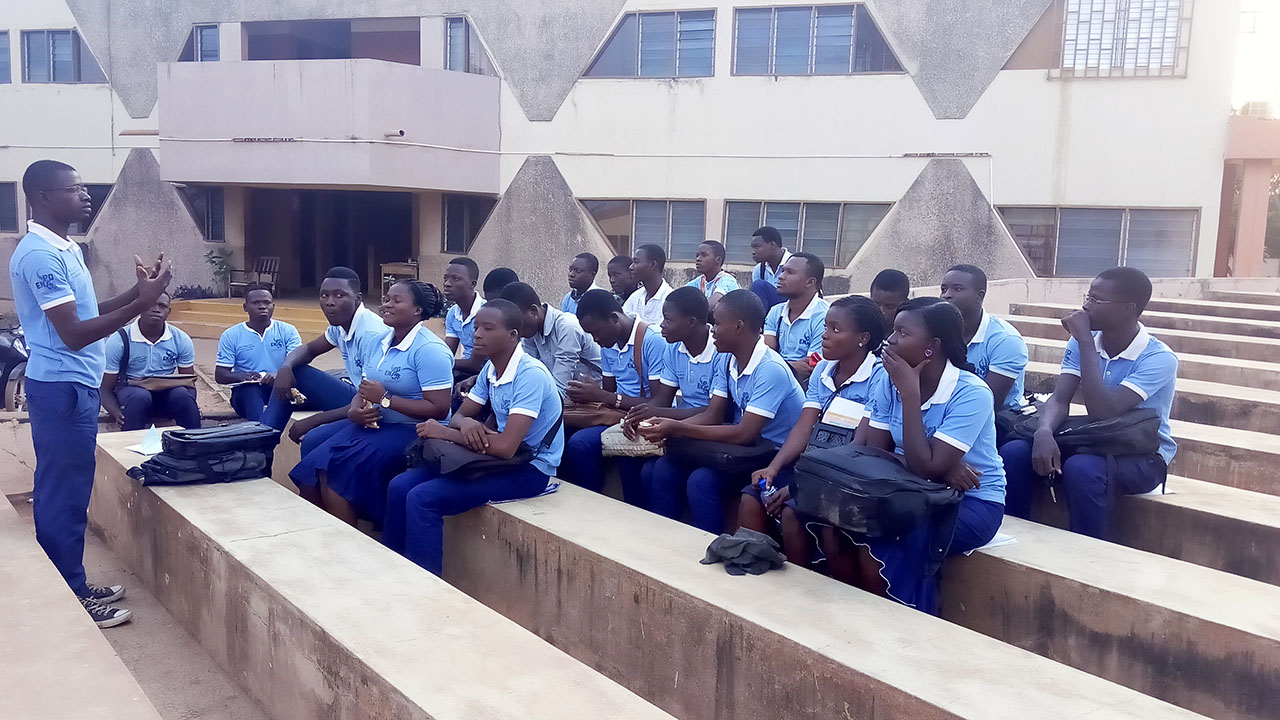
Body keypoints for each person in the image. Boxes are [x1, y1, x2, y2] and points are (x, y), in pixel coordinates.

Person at [10, 159, 171, 627]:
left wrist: (137, 293)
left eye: (83, 188)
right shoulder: (40, 256)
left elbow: (87, 311)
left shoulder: (66, 248)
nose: (85, 196)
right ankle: (71, 594)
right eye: (73, 189)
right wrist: (141, 305)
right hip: (60, 387)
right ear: (42, 198)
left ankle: (73, 580)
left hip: (75, 384)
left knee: (72, 488)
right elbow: (75, 334)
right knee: (63, 492)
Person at [826, 298, 1005, 614]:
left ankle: (915, 617)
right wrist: (941, 469)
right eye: (893, 331)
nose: (890, 340)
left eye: (902, 333)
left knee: (901, 534)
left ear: (932, 346)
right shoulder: (887, 380)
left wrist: (910, 395)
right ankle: (863, 616)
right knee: (836, 523)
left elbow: (926, 466)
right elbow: (873, 452)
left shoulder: (971, 393)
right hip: (910, 490)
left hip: (971, 501)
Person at [383, 299, 563, 576]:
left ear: (512, 335)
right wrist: (466, 423)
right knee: (399, 485)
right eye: (476, 327)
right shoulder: (491, 370)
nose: (477, 334)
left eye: (488, 328)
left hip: (529, 468)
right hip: (495, 458)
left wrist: (446, 433)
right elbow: (459, 416)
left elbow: (506, 447)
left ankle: (425, 584)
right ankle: (392, 571)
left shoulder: (530, 375)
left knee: (423, 498)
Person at [999, 267, 1177, 540]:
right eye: (1088, 297)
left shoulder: (1158, 358)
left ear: (1128, 308)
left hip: (1143, 454)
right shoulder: (1083, 343)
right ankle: (1013, 538)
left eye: (1096, 300)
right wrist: (1044, 432)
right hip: (1096, 441)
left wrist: (1084, 341)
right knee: (1014, 452)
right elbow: (1060, 398)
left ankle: (1089, 551)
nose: (1085, 306)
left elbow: (1104, 411)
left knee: (1082, 469)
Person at [640, 290, 804, 534]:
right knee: (665, 468)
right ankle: (662, 539)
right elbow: (712, 415)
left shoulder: (770, 369)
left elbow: (744, 433)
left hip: (774, 455)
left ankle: (710, 545)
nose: (712, 330)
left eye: (717, 323)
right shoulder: (727, 359)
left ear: (739, 326)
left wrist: (676, 427)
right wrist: (665, 424)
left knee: (701, 481)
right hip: (744, 450)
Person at [289, 281, 452, 526]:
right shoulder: (380, 341)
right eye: (386, 299)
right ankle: (323, 533)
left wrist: (386, 399)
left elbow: (439, 409)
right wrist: (355, 408)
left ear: (417, 310)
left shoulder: (431, 350)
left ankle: (349, 541)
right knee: (311, 471)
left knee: (335, 476)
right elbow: (365, 388)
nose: (386, 304)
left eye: (396, 300)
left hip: (413, 429)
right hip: (377, 424)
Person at [741, 296, 887, 566]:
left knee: (791, 512)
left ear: (863, 338)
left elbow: (859, 446)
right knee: (752, 497)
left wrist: (799, 486)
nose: (825, 336)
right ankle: (756, 571)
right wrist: (773, 468)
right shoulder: (822, 369)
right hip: (812, 467)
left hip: (848, 476)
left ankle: (804, 581)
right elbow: (804, 426)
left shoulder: (879, 376)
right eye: (825, 327)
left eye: (836, 329)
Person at [262, 267, 390, 502]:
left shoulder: (371, 332)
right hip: (355, 397)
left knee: (313, 438)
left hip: (375, 409)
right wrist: (285, 367)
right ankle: (264, 444)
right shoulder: (341, 325)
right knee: (294, 371)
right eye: (324, 295)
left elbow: (369, 402)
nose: (330, 302)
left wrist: (315, 420)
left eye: (339, 295)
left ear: (358, 298)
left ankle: (315, 504)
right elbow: (309, 349)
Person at [622, 287, 730, 508]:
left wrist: (664, 420)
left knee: (662, 471)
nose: (662, 324)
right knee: (637, 465)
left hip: (709, 432)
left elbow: (715, 414)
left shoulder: (721, 351)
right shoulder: (673, 350)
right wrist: (640, 416)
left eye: (668, 319)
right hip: (683, 428)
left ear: (691, 322)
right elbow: (662, 399)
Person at [563, 289, 667, 500]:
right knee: (574, 440)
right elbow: (609, 391)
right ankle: (590, 502)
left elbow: (659, 402)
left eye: (597, 332)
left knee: (619, 455)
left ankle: (617, 508)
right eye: (591, 335)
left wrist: (603, 396)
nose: (596, 339)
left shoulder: (652, 340)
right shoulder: (608, 345)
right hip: (619, 416)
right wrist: (589, 392)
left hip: (646, 417)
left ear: (614, 318)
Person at [100, 292, 200, 431]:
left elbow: (188, 382)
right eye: (150, 304)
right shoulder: (120, 340)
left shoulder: (180, 339)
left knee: (182, 396)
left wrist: (189, 404)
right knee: (140, 397)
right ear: (140, 307)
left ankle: (194, 441)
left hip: (165, 393)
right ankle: (129, 442)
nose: (156, 309)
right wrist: (116, 412)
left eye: (162, 306)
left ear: (169, 312)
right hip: (132, 394)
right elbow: (105, 388)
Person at [940, 264, 1028, 412]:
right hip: (945, 410)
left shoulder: (1006, 340)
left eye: (958, 289)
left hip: (998, 418)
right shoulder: (937, 331)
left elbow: (987, 404)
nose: (946, 295)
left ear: (979, 296)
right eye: (943, 289)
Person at [215, 284, 302, 421]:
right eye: (256, 303)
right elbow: (220, 375)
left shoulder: (288, 331)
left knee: (296, 390)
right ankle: (260, 430)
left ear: (273, 306)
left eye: (267, 302)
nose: (262, 306)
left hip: (280, 387)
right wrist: (243, 376)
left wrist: (278, 375)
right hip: (246, 393)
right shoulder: (231, 335)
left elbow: (298, 362)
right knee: (250, 391)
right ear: (245, 307)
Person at [501, 282, 602, 399]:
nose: (518, 331)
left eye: (519, 324)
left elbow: (560, 386)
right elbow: (530, 373)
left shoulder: (567, 326)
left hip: (596, 398)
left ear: (533, 311)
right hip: (572, 398)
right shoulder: (530, 333)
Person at [764, 252, 828, 385]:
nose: (781, 276)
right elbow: (765, 356)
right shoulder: (776, 311)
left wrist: (774, 366)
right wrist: (791, 366)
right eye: (783, 271)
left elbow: (811, 367)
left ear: (810, 282)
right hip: (775, 379)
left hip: (808, 386)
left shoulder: (824, 316)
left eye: (790, 272)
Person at [443, 257, 487, 378]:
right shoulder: (453, 313)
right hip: (465, 371)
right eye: (445, 278)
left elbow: (474, 364)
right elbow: (447, 353)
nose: (447, 284)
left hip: (487, 374)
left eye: (456, 279)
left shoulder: (486, 313)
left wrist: (440, 362)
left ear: (473, 284)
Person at [623, 243, 674, 326]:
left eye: (636, 262)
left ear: (652, 265)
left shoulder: (670, 300)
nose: (631, 267)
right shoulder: (635, 297)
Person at [685, 240, 738, 310]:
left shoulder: (727, 280)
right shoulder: (699, 281)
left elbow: (709, 307)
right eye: (697, 256)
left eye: (704, 255)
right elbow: (679, 296)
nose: (698, 259)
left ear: (718, 260)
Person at [748, 226, 791, 310]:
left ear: (772, 245)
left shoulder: (794, 264)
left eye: (757, 247)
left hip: (792, 305)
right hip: (770, 310)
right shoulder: (759, 269)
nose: (753, 252)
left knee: (759, 285)